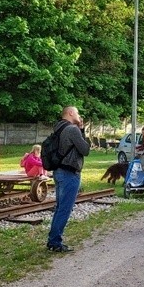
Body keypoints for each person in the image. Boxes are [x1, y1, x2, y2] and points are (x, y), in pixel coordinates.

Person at [46, 106, 90, 252]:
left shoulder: (59, 127)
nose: (79, 115)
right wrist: (82, 130)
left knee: (60, 208)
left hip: (59, 171)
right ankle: (55, 242)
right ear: (70, 113)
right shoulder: (72, 129)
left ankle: (53, 240)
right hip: (69, 173)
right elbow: (85, 150)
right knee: (64, 209)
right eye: (77, 112)